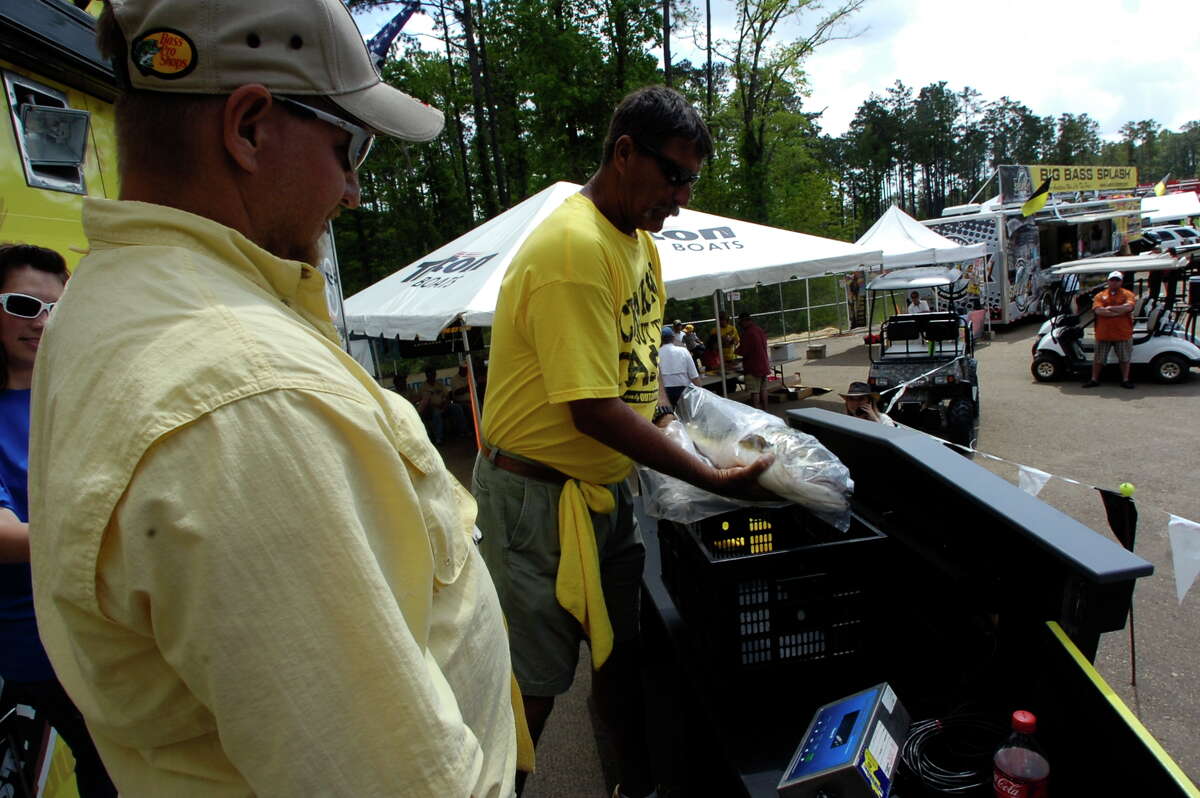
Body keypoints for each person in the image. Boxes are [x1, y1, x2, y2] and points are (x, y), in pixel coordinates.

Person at [26, 2, 521, 795]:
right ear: (249, 126)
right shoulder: (247, 399)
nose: (354, 189)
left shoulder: (116, 302)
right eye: (347, 147)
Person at [473, 85, 770, 798]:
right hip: (535, 502)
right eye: (674, 175)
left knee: (622, 658)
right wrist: (709, 478)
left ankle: (631, 788)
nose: (682, 197)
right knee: (534, 685)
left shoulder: (640, 246)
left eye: (692, 181)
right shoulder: (574, 247)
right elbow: (593, 410)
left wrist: (676, 425)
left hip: (607, 493)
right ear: (624, 152)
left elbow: (639, 377)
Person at [0, 244, 117, 797]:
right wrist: (113, 530)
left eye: (57, 308)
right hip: (36, 640)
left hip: (108, 621)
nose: (43, 321)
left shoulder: (80, 392)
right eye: (23, 305)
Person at [1083, 270, 1137, 389]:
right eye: (1112, 280)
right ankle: (1094, 379)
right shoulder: (1100, 295)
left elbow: (1128, 307)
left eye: (1117, 280)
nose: (1114, 282)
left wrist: (1110, 308)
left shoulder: (1128, 294)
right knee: (1098, 358)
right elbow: (1098, 310)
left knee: (1124, 358)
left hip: (1122, 333)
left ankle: (1125, 379)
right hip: (1104, 333)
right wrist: (1118, 311)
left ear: (1121, 282)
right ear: (1108, 281)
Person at [418, 366, 465, 444]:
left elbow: (447, 396)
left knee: (456, 407)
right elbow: (423, 403)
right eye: (430, 374)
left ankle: (463, 431)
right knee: (436, 413)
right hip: (430, 409)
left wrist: (444, 405)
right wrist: (436, 407)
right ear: (427, 375)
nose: (432, 375)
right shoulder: (423, 387)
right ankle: (439, 438)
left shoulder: (439, 384)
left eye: (433, 373)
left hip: (443, 405)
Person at [658, 325, 702, 406]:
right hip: (684, 391)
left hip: (665, 392)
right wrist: (701, 394)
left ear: (660, 339)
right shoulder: (684, 351)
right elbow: (694, 376)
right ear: (673, 338)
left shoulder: (656, 354)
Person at [735, 311, 771, 409]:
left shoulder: (748, 333)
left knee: (754, 391)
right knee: (763, 389)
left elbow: (744, 351)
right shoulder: (759, 330)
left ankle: (757, 412)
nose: (740, 326)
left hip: (753, 367)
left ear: (744, 321)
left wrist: (735, 350)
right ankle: (766, 409)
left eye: (740, 323)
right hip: (763, 364)